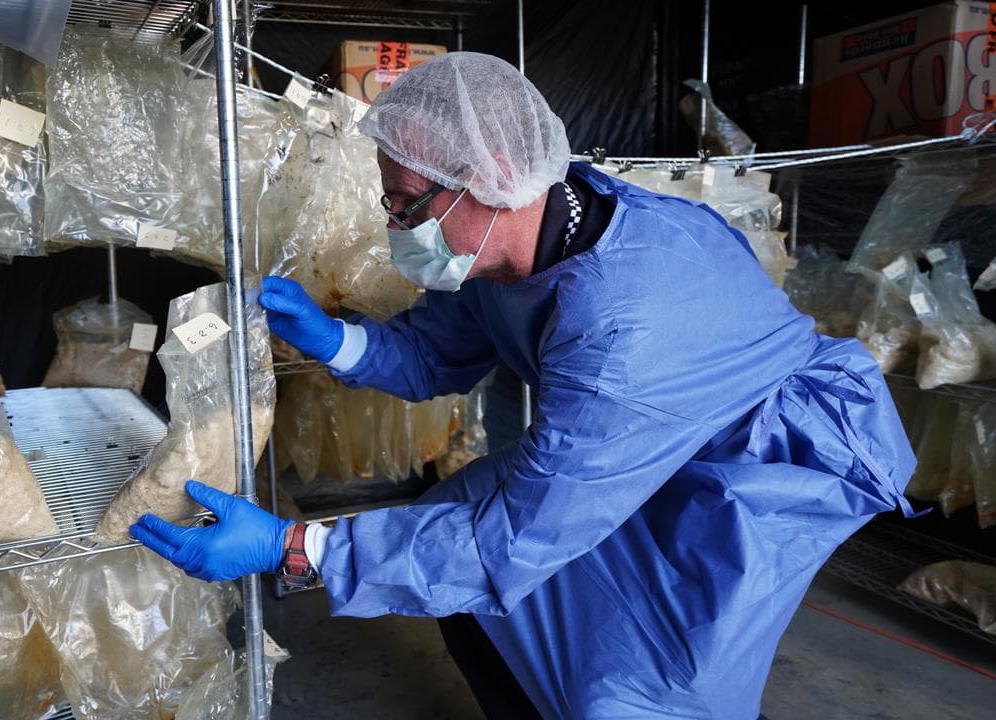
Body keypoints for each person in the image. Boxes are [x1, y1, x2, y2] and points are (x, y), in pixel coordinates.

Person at [130, 52, 917, 719]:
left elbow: (509, 540)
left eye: (407, 204)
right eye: (389, 202)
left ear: (494, 176)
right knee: (456, 534)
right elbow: (440, 350)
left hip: (753, 465)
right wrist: (340, 340)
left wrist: (292, 547)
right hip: (648, 430)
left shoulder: (620, 337)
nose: (396, 226)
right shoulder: (528, 236)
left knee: (649, 681)